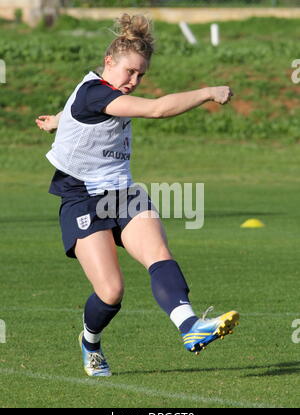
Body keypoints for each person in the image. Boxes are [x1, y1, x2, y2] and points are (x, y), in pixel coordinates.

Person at [36, 13, 239, 377]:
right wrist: (209, 91)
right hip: (81, 197)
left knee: (159, 254)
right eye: (129, 72)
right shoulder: (95, 93)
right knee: (111, 292)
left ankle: (190, 326)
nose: (134, 80)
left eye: (141, 75)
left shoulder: (97, 91)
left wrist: (57, 121)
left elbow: (78, 111)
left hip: (122, 192)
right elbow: (158, 110)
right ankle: (90, 342)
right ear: (108, 62)